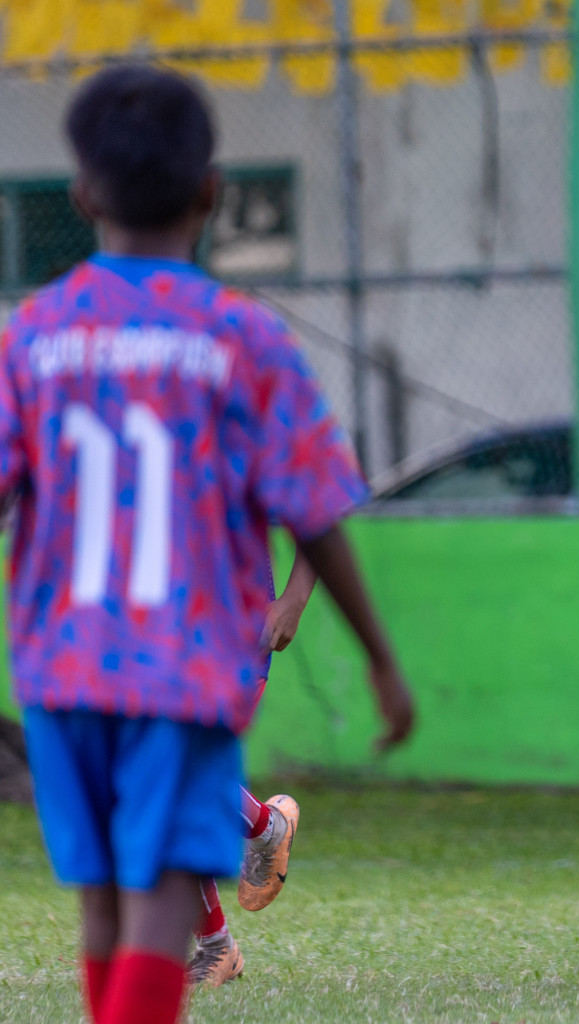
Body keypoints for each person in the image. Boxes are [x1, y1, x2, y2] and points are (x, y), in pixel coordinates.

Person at [11, 65, 414, 1024]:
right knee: (156, 897)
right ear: (211, 192)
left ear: (81, 195)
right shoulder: (242, 338)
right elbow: (315, 504)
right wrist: (378, 657)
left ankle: (236, 880)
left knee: (103, 896)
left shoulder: (31, 336)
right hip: (187, 665)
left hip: (62, 662)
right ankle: (252, 843)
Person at [188, 555, 316, 986]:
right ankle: (267, 829)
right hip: (148, 626)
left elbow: (318, 504)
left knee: (180, 773)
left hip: (235, 627)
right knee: (152, 780)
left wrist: (294, 600)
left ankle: (214, 946)